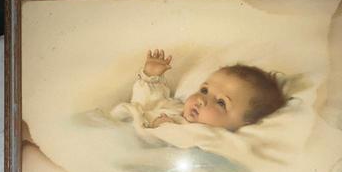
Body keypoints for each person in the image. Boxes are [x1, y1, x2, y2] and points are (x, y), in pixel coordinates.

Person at [110, 49, 286, 132]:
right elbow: (149, 103)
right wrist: (151, 77)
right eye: (204, 90)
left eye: (221, 102)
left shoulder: (211, 138)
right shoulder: (177, 108)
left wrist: (165, 130)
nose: (201, 99)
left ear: (243, 124)